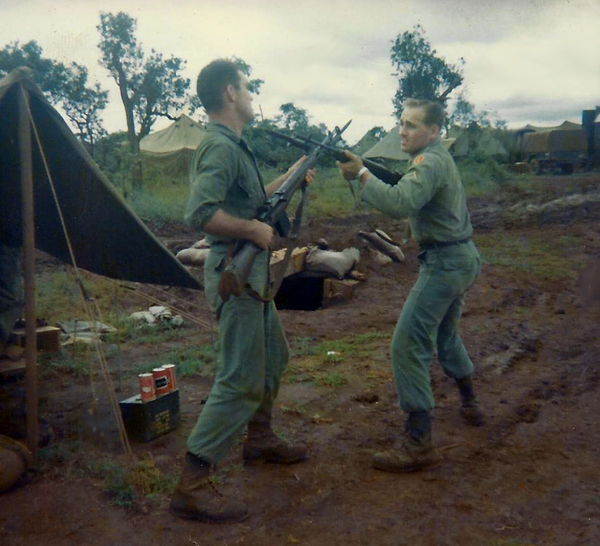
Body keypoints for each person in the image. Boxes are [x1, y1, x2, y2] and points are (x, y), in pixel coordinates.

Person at [170, 59, 314, 523]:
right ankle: (192, 483)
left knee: (275, 356)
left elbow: (254, 204)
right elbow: (199, 213)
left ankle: (261, 438)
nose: (252, 96)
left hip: (247, 276)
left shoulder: (234, 146)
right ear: (230, 93)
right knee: (240, 378)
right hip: (236, 274)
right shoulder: (220, 147)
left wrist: (293, 175)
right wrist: (252, 230)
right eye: (248, 88)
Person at [337, 98, 484, 474]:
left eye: (412, 125)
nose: (402, 131)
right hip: (462, 258)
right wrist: (369, 169)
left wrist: (362, 175)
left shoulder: (430, 161)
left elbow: (402, 200)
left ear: (433, 132)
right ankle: (469, 402)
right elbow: (405, 184)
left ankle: (419, 443)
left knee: (407, 343)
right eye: (401, 123)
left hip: (443, 264)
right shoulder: (434, 159)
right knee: (445, 335)